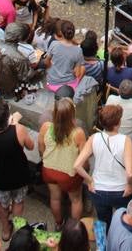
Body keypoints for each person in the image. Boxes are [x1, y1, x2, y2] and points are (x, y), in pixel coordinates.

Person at [74, 104, 132, 227]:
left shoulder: (93, 138)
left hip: (98, 189)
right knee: (122, 220)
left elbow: (77, 165)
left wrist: (89, 180)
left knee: (104, 220)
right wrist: (129, 185)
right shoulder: (126, 140)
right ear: (118, 123)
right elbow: (129, 173)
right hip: (120, 190)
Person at [0, 99, 34, 241]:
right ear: (7, 117)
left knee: (2, 204)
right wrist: (16, 123)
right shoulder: (18, 130)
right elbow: (31, 146)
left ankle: (6, 230)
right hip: (19, 176)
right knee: (18, 202)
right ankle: (18, 230)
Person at [38, 96, 86, 228]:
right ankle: (74, 228)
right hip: (68, 175)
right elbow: (83, 158)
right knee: (76, 200)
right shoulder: (78, 133)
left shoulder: (46, 127)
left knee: (55, 198)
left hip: (49, 170)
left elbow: (41, 148)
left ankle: (59, 224)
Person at [45, 19, 85, 90]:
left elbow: (47, 62)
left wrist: (51, 68)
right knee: (83, 68)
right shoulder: (78, 50)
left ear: (61, 32)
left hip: (52, 83)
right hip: (70, 85)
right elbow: (77, 74)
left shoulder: (54, 44)